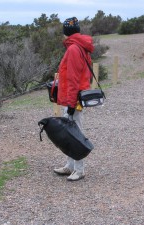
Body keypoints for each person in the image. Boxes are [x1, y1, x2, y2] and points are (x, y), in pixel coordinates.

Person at [53, 17, 94, 181]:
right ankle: (70, 166)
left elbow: (72, 79)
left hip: (74, 99)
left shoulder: (73, 49)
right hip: (75, 98)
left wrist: (70, 104)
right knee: (69, 133)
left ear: (66, 33)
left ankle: (79, 169)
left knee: (74, 134)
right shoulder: (80, 46)